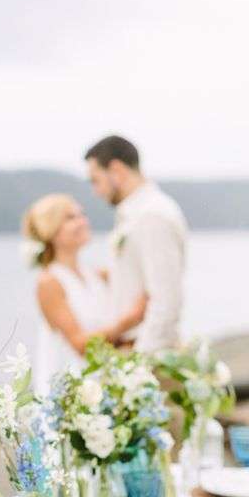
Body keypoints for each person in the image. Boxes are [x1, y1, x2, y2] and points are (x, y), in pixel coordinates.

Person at [22, 193, 147, 392]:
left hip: (101, 386)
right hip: (70, 392)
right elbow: (80, 345)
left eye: (82, 214)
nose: (83, 221)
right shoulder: (49, 282)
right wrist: (129, 320)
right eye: (71, 218)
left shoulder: (96, 274)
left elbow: (110, 337)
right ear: (50, 229)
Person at [85, 134, 187, 353]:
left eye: (96, 180)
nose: (96, 191)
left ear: (117, 170)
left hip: (148, 356)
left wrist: (138, 365)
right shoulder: (136, 214)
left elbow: (166, 301)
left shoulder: (152, 216)